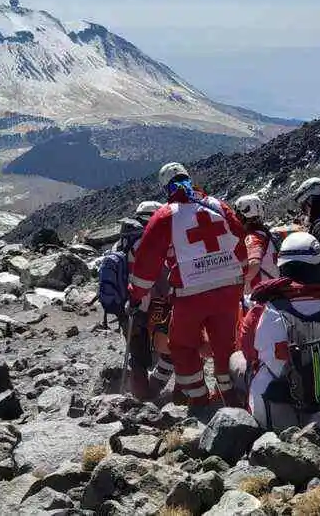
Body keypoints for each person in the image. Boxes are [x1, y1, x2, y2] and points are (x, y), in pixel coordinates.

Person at [128, 162, 248, 407]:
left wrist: (136, 294)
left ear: (165, 188)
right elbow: (239, 241)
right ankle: (231, 399)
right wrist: (240, 276)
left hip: (190, 293)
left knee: (182, 346)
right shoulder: (218, 206)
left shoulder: (166, 215)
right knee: (225, 346)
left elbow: (147, 263)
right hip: (228, 289)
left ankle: (199, 400)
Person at [236, 232, 320, 436]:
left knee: (236, 361)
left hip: (279, 422)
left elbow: (248, 354)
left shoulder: (261, 311)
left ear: (282, 268)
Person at [115, 201, 174, 399]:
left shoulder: (122, 242)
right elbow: (163, 277)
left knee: (137, 356)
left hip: (127, 306)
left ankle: (139, 396)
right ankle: (154, 390)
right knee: (171, 349)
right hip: (154, 305)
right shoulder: (150, 241)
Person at [234, 194, 280, 302]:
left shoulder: (252, 237)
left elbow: (254, 262)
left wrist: (245, 282)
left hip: (262, 294)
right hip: (273, 288)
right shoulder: (265, 233)